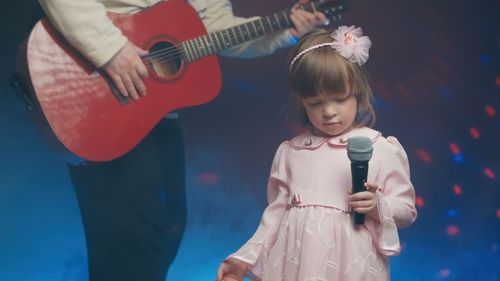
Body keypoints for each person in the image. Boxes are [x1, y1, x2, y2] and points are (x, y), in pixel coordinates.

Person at [35, 0, 326, 280]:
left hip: (152, 113)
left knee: (167, 229)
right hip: (96, 94)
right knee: (131, 240)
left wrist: (286, 30)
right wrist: (111, 50)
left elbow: (212, 26)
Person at [216, 26, 418, 281]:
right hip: (294, 265)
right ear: (302, 101)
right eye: (316, 103)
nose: (329, 112)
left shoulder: (379, 149)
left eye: (339, 98)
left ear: (357, 91)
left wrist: (377, 206)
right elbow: (274, 216)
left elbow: (406, 211)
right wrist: (243, 259)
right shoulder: (291, 152)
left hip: (351, 266)